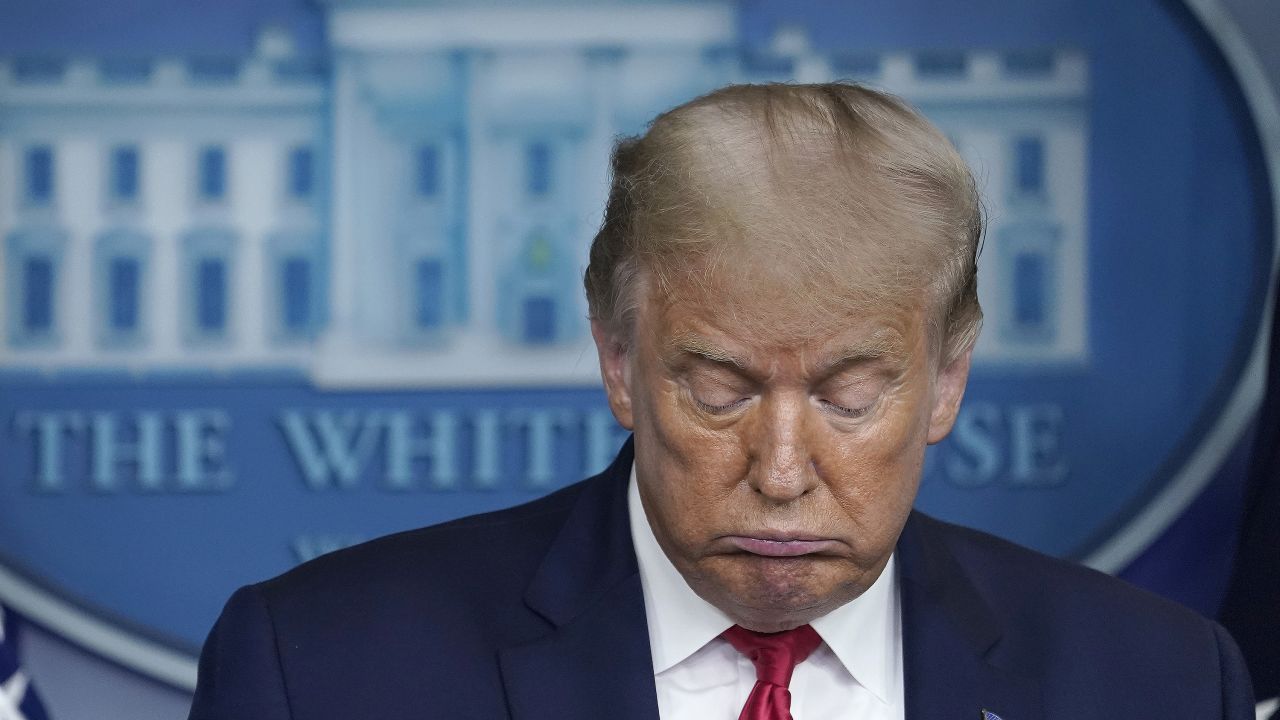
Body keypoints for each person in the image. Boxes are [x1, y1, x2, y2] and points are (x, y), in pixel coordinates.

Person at [188, 83, 1254, 719]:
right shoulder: (323, 672)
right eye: (716, 389)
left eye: (847, 395)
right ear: (616, 360)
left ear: (945, 381)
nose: (781, 470)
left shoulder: (1151, 683)